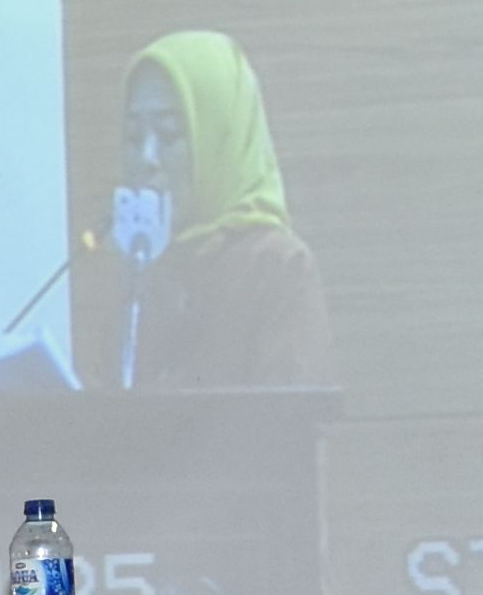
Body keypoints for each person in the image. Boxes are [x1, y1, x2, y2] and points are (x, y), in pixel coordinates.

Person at [68, 30, 333, 391]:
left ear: (220, 140)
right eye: (132, 138)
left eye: (169, 134)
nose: (146, 158)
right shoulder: (139, 268)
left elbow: (286, 429)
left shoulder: (277, 266)